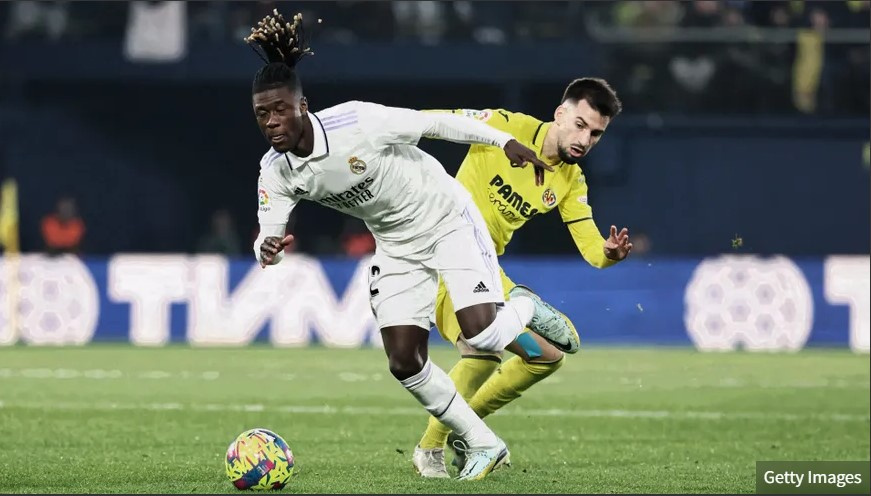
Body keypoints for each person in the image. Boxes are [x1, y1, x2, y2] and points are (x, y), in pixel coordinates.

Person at [245, 10, 580, 481]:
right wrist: (268, 249)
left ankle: (523, 305)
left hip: (446, 218)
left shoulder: (357, 122)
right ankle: (484, 444)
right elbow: (269, 233)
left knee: (484, 336)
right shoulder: (275, 171)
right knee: (404, 361)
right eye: (262, 114)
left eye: (280, 109)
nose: (272, 122)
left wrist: (503, 142)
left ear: (303, 105)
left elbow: (434, 124)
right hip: (396, 244)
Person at [412, 78, 633, 477]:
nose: (586, 139)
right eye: (580, 125)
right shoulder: (504, 126)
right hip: (443, 252)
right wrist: (384, 129)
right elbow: (435, 120)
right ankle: (430, 449)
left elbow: (591, 247)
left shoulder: (571, 180)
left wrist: (609, 254)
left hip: (485, 270)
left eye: (596, 133)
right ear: (560, 114)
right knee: (482, 353)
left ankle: (466, 430)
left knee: (546, 356)